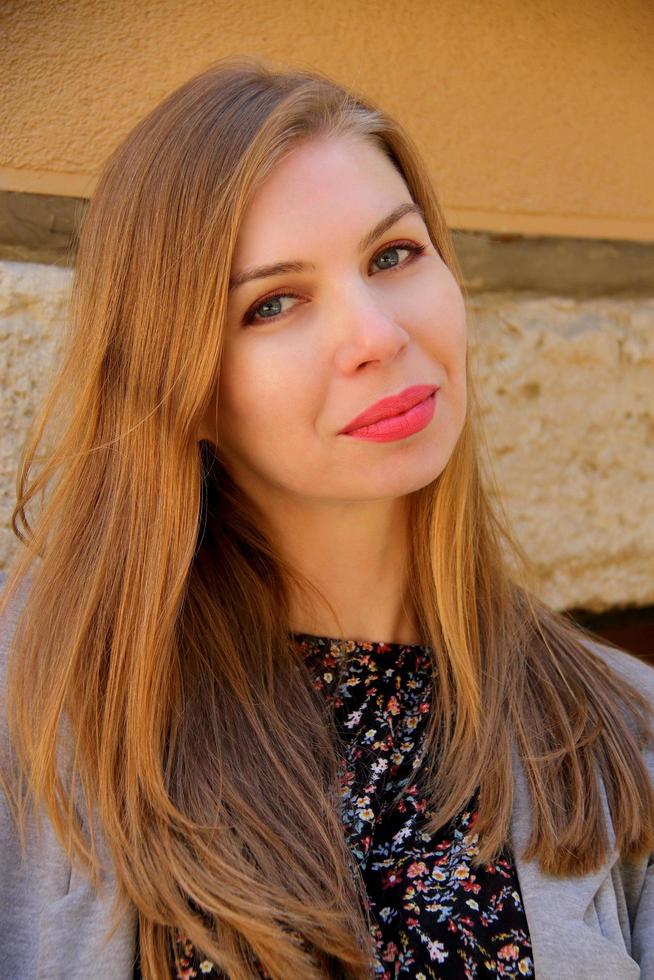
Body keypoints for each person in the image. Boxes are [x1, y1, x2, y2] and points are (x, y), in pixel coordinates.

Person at [0, 56, 652, 980]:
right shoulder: (42, 699)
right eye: (274, 304)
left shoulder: (619, 737)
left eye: (395, 255)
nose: (378, 336)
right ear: (179, 383)